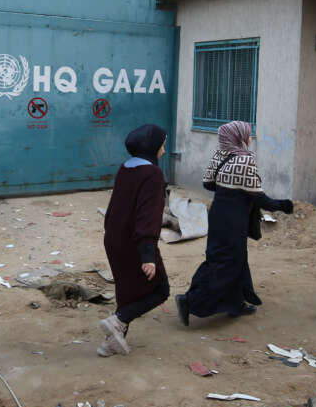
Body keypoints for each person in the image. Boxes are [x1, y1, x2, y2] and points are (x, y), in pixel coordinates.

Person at [174, 121, 293, 326]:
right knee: (226, 264)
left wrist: (227, 187)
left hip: (218, 214)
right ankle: (190, 301)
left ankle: (236, 304)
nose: (250, 137)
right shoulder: (245, 160)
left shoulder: (221, 154)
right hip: (233, 221)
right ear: (239, 137)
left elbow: (207, 183)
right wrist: (284, 205)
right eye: (248, 134)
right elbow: (260, 198)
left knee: (226, 259)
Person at [97, 123, 170, 356]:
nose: (164, 151)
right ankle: (118, 321)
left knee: (127, 291)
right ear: (152, 147)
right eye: (162, 145)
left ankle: (109, 344)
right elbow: (147, 214)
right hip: (135, 242)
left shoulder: (126, 168)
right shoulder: (152, 174)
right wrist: (147, 254)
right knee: (160, 289)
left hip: (115, 239)